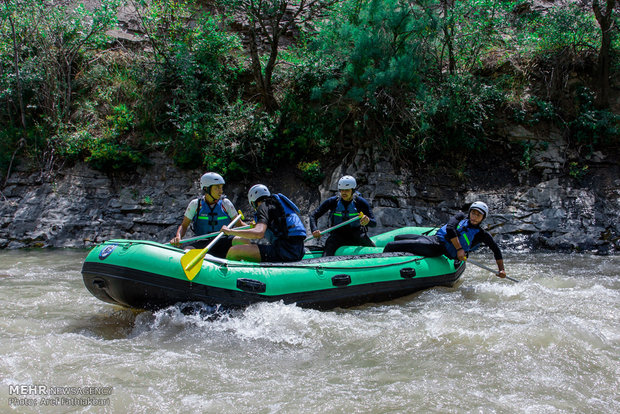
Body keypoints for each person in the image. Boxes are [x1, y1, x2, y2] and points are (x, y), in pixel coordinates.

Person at [383, 201, 506, 278]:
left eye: (478, 215)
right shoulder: (461, 216)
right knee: (398, 237)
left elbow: (496, 250)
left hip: (437, 248)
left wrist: (501, 269)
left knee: (391, 245)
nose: (474, 217)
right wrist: (459, 248)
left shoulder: (481, 234)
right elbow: (451, 228)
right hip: (434, 238)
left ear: (483, 218)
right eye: (473, 213)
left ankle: (384, 270)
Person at [221, 184, 306, 262]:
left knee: (234, 251)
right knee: (243, 244)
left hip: (284, 251)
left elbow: (259, 233)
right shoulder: (275, 205)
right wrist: (256, 227)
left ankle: (229, 276)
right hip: (297, 250)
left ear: (253, 202)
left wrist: (230, 231)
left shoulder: (263, 207)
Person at [170, 172, 243, 258]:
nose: (221, 191)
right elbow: (184, 225)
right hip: (202, 242)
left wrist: (253, 227)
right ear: (206, 189)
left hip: (224, 241)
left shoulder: (225, 203)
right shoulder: (195, 204)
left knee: (243, 240)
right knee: (188, 250)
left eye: (221, 187)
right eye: (217, 188)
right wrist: (178, 237)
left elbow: (240, 224)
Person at [308, 175, 376, 256]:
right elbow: (313, 216)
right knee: (328, 248)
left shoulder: (361, 202)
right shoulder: (333, 201)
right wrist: (314, 229)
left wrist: (368, 221)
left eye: (347, 190)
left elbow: (374, 223)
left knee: (370, 247)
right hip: (337, 235)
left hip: (357, 235)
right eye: (342, 190)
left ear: (353, 190)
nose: (344, 193)